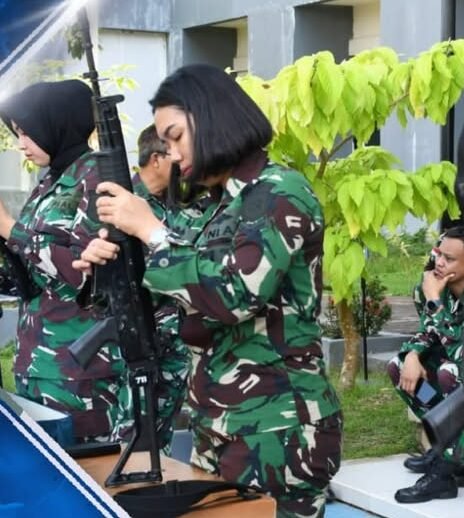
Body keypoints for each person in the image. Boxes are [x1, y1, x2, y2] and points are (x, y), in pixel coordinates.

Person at [73, 64, 342, 517]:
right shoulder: (216, 207)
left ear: (211, 116)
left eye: (175, 136)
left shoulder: (279, 192)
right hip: (218, 424)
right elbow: (173, 288)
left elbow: (233, 293)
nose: (173, 155)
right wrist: (113, 264)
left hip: (278, 428)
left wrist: (152, 232)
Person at [0, 80, 124, 443]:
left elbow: (85, 271)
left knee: (85, 476)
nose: (20, 143)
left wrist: (10, 228)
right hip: (39, 362)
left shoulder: (98, 178)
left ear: (57, 123)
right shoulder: (50, 181)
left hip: (79, 371)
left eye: (28, 132)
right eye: (17, 133)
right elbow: (34, 270)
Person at [107, 125, 198, 453]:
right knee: (131, 445)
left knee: (164, 443)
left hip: (177, 347)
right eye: (172, 152)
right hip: (139, 345)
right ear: (157, 159)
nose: (181, 158)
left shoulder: (182, 204)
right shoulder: (120, 207)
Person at [385, 226, 464, 503]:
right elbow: (428, 331)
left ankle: (445, 472)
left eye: (449, 259)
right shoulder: (430, 288)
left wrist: (434, 301)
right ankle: (442, 445)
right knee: (398, 368)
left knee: (450, 373)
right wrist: (412, 356)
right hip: (457, 381)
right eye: (438, 254)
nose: (439, 262)